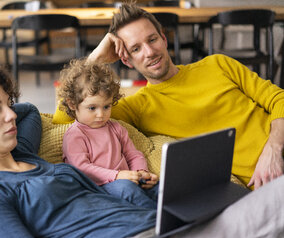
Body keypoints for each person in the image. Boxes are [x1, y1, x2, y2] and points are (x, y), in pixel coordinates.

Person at [0, 56, 157, 238]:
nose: (11, 115)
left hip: (153, 225)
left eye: (8, 104)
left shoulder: (22, 152)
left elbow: (29, 111)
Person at [53, 3, 284, 190]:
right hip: (264, 188)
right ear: (126, 60)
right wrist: (96, 58)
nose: (150, 52)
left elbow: (278, 99)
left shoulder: (218, 64)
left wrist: (274, 148)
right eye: (136, 49)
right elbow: (65, 118)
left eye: (152, 40)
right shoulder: (138, 106)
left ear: (164, 39)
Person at [58, 58, 159, 209]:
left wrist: (141, 172)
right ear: (72, 104)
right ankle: (157, 219)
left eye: (106, 106)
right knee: (127, 189)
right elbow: (82, 168)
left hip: (126, 180)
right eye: (92, 108)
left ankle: (177, 213)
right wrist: (117, 176)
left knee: (158, 187)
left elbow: (134, 155)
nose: (101, 115)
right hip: (98, 188)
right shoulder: (75, 135)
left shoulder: (115, 128)